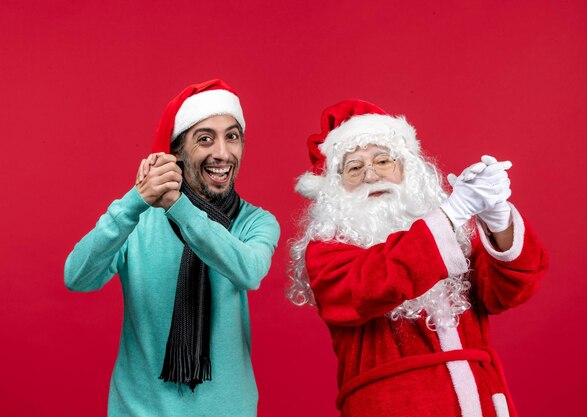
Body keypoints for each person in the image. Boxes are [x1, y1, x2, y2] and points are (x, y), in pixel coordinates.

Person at [287, 99, 547, 417]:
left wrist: (496, 216)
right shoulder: (327, 249)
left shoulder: (453, 234)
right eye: (355, 168)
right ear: (335, 188)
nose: (371, 175)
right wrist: (451, 214)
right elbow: (369, 285)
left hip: (479, 401)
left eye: (383, 161)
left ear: (407, 169)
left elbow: (511, 290)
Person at [65, 79, 280, 416]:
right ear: (177, 152)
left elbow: (249, 272)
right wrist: (136, 200)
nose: (222, 153)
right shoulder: (137, 219)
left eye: (232, 136)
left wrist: (177, 205)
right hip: (138, 409)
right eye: (205, 138)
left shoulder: (255, 221)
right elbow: (78, 277)